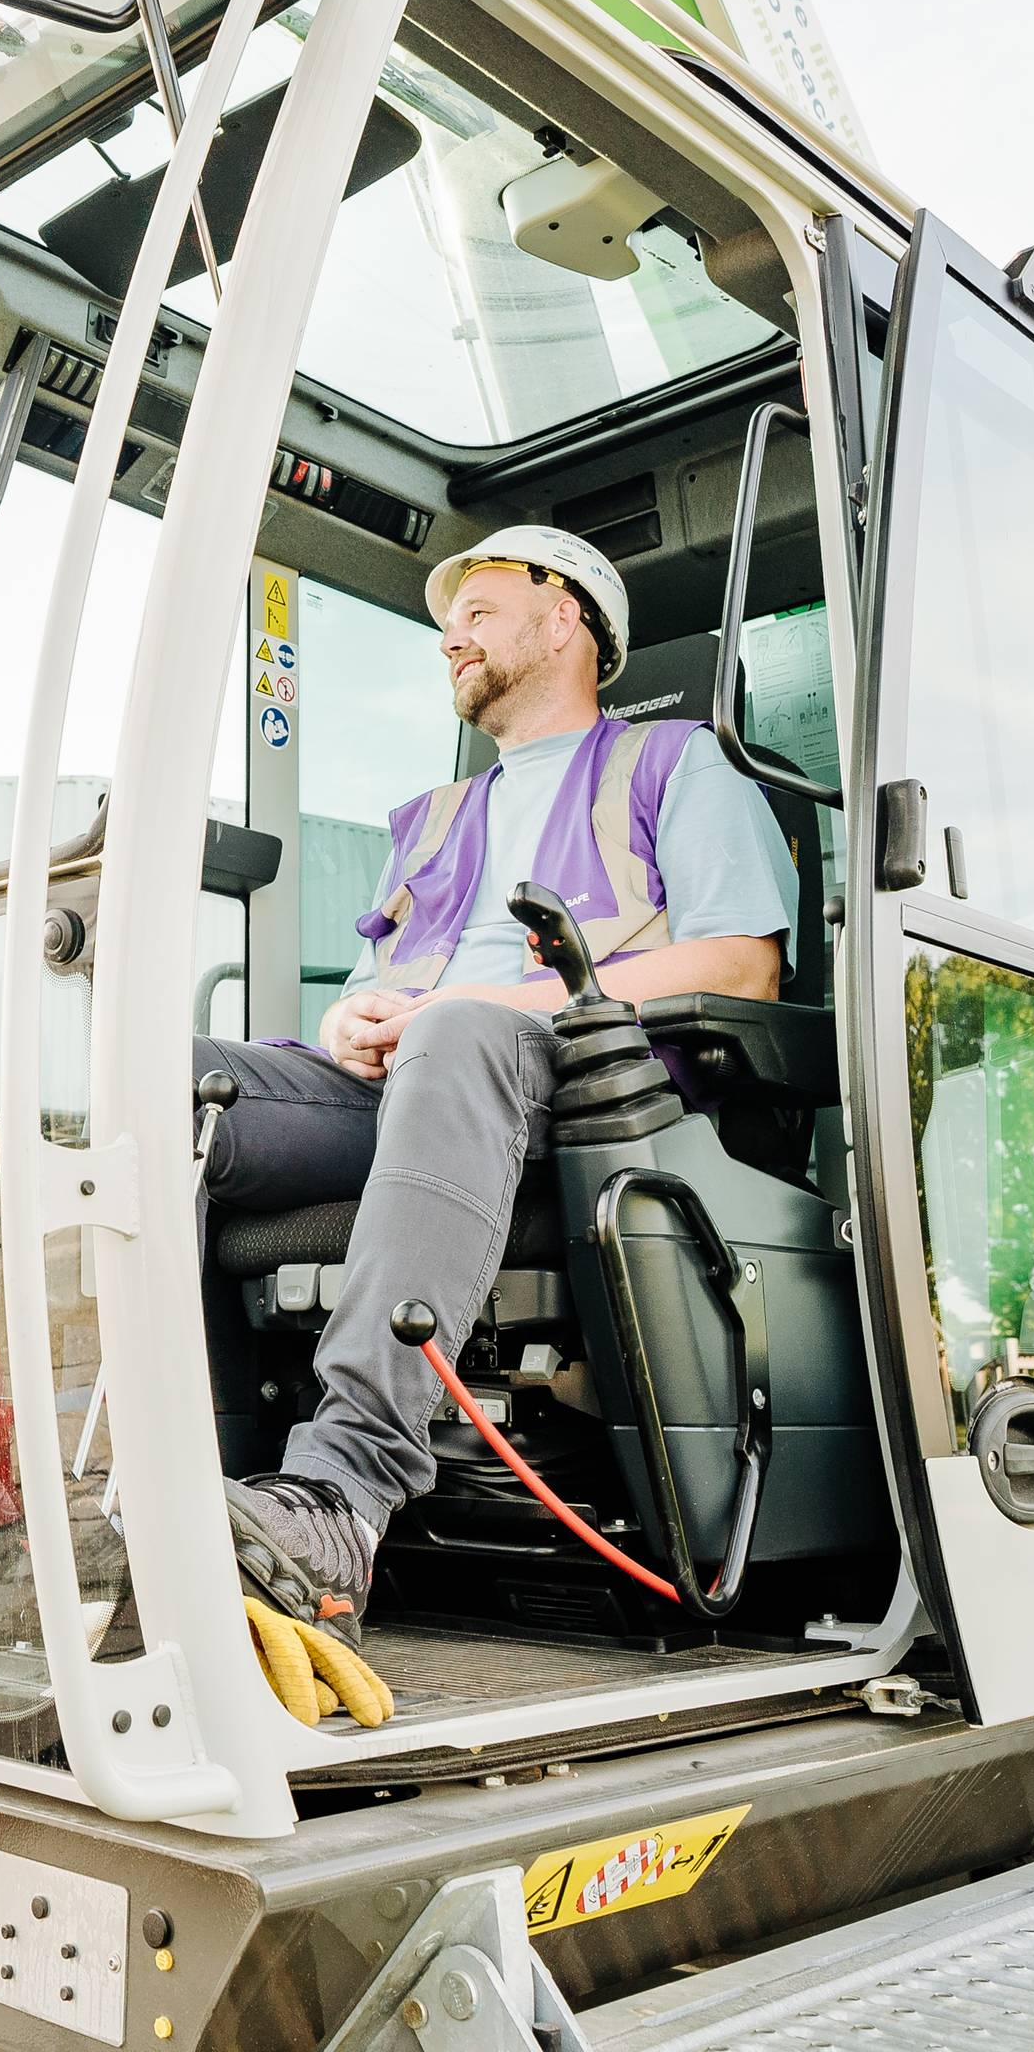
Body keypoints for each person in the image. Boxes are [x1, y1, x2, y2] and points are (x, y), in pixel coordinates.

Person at [196, 526, 794, 1644]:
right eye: (446, 623)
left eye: (477, 612)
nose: (450, 639)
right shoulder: (434, 820)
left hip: (577, 1089)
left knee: (459, 1029)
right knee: (180, 1082)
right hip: (404, 1084)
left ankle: (340, 1498)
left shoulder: (676, 765)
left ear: (565, 618)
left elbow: (743, 964)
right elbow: (375, 987)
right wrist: (344, 1020)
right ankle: (181, 1482)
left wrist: (484, 1004)